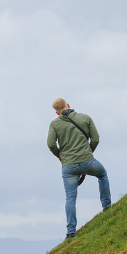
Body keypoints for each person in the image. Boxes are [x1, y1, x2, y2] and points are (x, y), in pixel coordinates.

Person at [47, 98, 111, 239]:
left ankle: (71, 232)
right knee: (102, 175)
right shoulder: (85, 118)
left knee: (70, 197)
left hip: (68, 166)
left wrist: (60, 156)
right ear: (68, 105)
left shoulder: (54, 124)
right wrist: (88, 152)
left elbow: (51, 144)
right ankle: (107, 208)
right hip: (88, 161)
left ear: (57, 112)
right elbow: (95, 139)